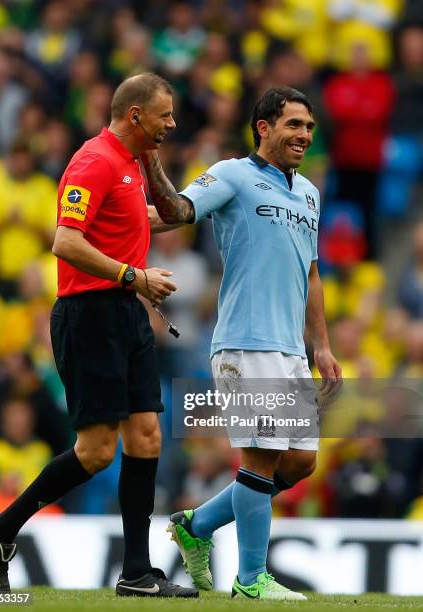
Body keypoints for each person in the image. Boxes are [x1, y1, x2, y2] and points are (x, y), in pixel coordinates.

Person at [0, 73, 197, 599]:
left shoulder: (132, 163)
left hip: (125, 312)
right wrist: (134, 276)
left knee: (147, 437)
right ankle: (0, 529)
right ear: (135, 115)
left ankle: (137, 572)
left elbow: (134, 218)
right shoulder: (93, 160)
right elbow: (65, 241)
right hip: (90, 314)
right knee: (96, 451)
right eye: (165, 114)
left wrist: (189, 206)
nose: (173, 123)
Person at [143, 87, 342, 600]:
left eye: (310, 128)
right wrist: (148, 165)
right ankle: (252, 579)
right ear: (264, 127)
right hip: (244, 340)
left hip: (291, 350)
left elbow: (312, 275)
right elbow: (178, 208)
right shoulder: (232, 174)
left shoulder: (310, 194)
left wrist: (320, 345)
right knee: (262, 456)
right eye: (295, 125)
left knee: (299, 463)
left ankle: (198, 524)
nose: (305, 135)